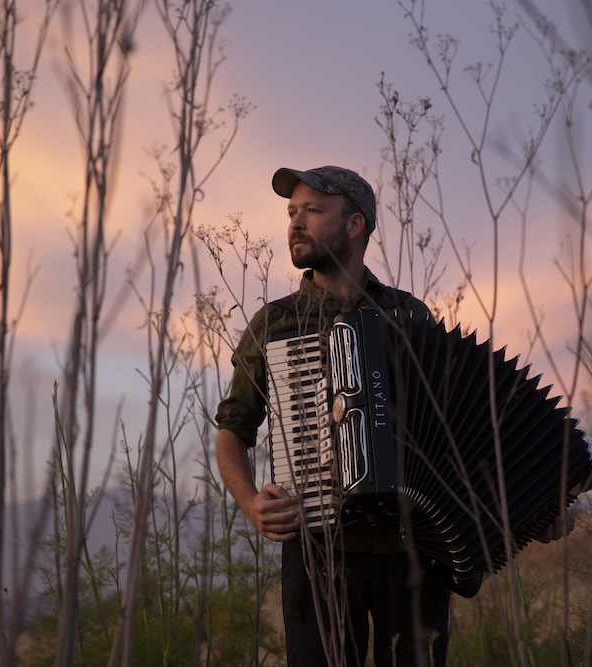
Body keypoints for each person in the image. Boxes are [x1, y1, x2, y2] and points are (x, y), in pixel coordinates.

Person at [214, 165, 572, 667]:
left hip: (414, 550)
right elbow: (233, 430)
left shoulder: (410, 316)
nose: (295, 222)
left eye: (313, 211)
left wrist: (535, 505)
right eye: (292, 212)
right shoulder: (274, 323)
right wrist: (251, 502)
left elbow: (461, 432)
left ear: (355, 224)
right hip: (318, 551)